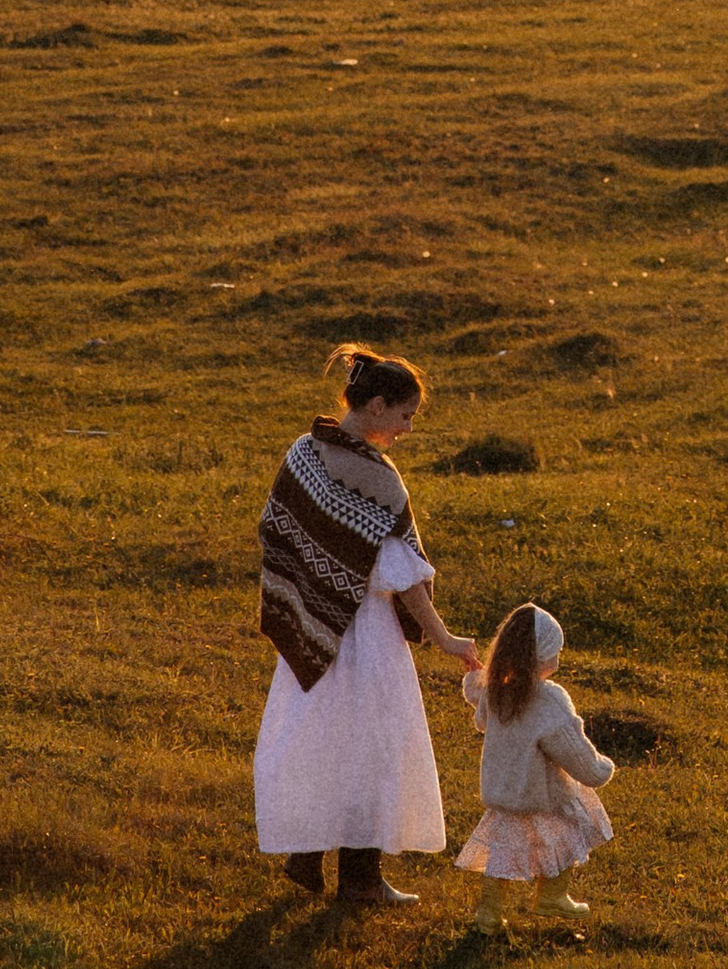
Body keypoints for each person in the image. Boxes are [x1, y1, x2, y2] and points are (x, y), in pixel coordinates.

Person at [254, 344, 480, 907]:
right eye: (405, 416)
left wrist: (307, 595)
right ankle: (359, 880)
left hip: (312, 631)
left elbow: (276, 529)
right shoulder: (379, 480)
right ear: (376, 406)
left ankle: (305, 861)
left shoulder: (303, 453)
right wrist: (444, 635)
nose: (407, 429)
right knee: (371, 750)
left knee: (317, 741)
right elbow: (401, 574)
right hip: (365, 641)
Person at [456, 602, 615, 933]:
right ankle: (552, 896)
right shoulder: (548, 700)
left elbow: (477, 694)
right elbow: (572, 750)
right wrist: (599, 770)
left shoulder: (497, 688)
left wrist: (476, 671)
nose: (558, 657)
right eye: (555, 651)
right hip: (539, 791)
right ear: (541, 656)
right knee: (570, 829)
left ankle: (489, 913)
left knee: (501, 852)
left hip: (502, 791)